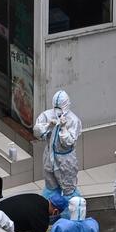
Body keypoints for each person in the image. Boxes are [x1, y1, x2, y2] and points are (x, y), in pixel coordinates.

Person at [33, 90, 82, 218]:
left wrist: (64, 128)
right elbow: (38, 133)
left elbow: (69, 142)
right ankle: (47, 215)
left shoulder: (73, 120)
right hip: (49, 157)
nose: (57, 110)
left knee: (69, 190)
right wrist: (49, 125)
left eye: (60, 107)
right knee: (50, 187)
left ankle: (70, 218)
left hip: (66, 160)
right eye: (56, 107)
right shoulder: (46, 115)